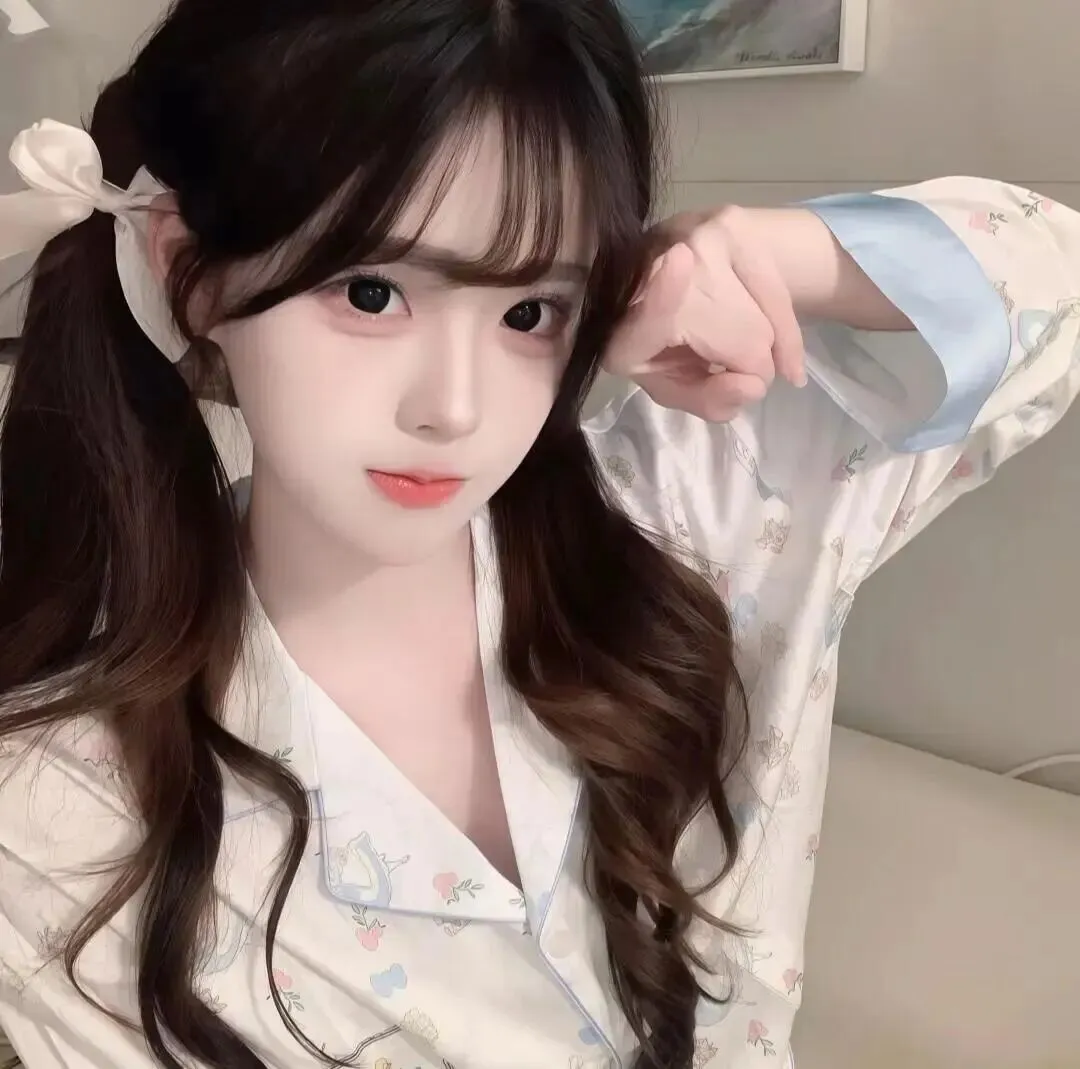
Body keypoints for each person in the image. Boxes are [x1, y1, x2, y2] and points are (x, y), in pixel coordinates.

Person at [0, 1, 1076, 1067]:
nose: (455, 409)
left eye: (530, 312)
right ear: (189, 273)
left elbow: (1052, 280)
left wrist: (773, 252)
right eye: (371, 292)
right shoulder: (54, 809)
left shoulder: (695, 512)